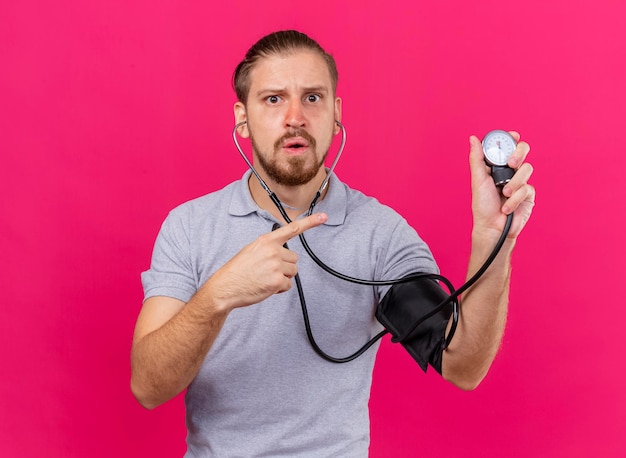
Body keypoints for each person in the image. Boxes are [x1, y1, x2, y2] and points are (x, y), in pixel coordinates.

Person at [131, 30, 535, 456]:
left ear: (335, 112)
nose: (295, 117)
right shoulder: (190, 227)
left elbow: (460, 364)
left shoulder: (379, 235)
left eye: (312, 98)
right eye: (273, 99)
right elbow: (148, 387)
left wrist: (494, 240)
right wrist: (218, 295)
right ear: (242, 119)